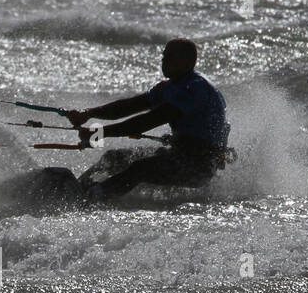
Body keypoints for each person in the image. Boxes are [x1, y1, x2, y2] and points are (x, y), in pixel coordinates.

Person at [65, 38, 231, 199]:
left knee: (140, 169)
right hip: (178, 154)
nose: (164, 61)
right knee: (114, 158)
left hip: (199, 165)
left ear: (188, 63)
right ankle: (77, 188)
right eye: (164, 56)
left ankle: (94, 198)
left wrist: (98, 134)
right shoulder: (170, 86)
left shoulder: (194, 88)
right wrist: (87, 113)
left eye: (170, 58)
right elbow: (129, 106)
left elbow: (146, 122)